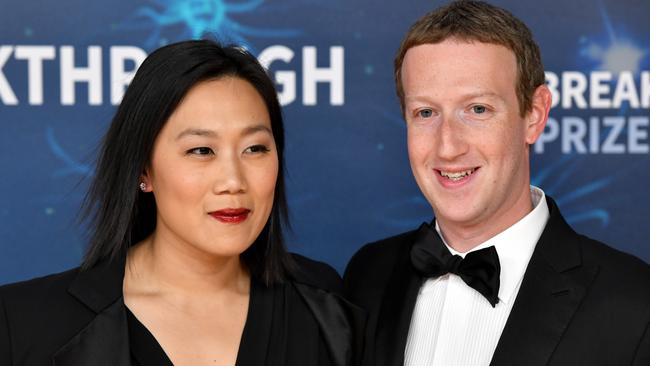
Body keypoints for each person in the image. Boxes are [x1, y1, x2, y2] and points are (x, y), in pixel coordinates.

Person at [0, 40, 363, 366]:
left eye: (255, 148)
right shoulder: (25, 324)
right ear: (144, 169)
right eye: (201, 150)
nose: (233, 181)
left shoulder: (325, 306)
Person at [343, 1, 650, 365]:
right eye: (426, 112)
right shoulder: (368, 276)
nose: (448, 146)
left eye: (477, 110)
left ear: (534, 115)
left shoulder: (633, 302)